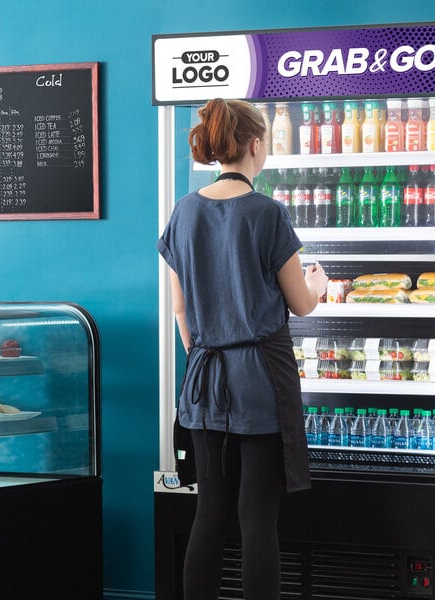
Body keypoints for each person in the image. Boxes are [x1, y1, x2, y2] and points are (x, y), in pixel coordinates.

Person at [157, 98, 328, 600]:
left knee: (208, 513)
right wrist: (319, 284)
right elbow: (300, 304)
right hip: (260, 385)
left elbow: (181, 309)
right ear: (256, 144)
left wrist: (203, 357)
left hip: (205, 382)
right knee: (257, 521)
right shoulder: (267, 213)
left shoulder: (184, 211)